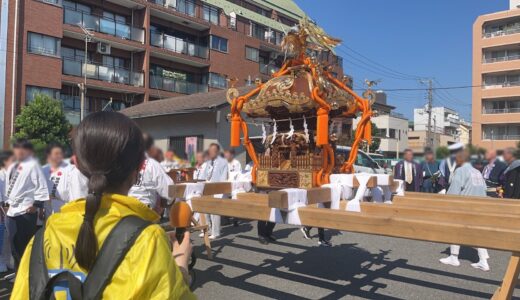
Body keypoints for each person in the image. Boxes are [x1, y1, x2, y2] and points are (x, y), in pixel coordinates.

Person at [12, 112, 194, 299]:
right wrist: (180, 265)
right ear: (140, 166)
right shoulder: (147, 239)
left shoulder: (43, 236)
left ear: (78, 164)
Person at [439, 149, 490, 271]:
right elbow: (484, 189)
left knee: (455, 230)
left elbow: (454, 190)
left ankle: (453, 257)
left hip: (463, 207)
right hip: (478, 207)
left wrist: (446, 201)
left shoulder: (461, 170)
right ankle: (483, 260)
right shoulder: (477, 171)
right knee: (478, 233)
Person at [4, 139, 49, 269]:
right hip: (12, 210)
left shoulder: (33, 165)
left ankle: (28, 275)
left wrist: (36, 205)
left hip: (26, 210)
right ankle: (19, 273)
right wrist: (7, 203)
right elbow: (8, 187)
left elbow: (41, 185)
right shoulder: (12, 165)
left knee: (25, 244)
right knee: (14, 244)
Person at [129, 134, 173, 210]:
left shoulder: (123, 162)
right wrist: (169, 202)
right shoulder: (151, 164)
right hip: (144, 210)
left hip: (122, 208)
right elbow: (169, 190)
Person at [203, 143, 228, 239]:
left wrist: (219, 188)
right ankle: (208, 229)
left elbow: (223, 177)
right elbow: (205, 174)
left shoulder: (223, 162)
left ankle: (216, 232)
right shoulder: (209, 161)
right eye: (210, 150)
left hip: (217, 188)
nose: (210, 152)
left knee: (215, 212)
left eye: (212, 150)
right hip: (207, 188)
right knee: (206, 210)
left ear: (217, 151)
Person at [42, 143, 71, 218]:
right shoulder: (43, 170)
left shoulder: (69, 169)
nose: (59, 156)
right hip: (48, 209)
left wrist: (56, 196)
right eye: (56, 153)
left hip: (64, 208)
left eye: (61, 153)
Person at [0, 151, 14, 273]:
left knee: (9, 236)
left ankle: (8, 260)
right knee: (4, 236)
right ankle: (2, 261)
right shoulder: (1, 174)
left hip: (12, 208)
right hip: (4, 208)